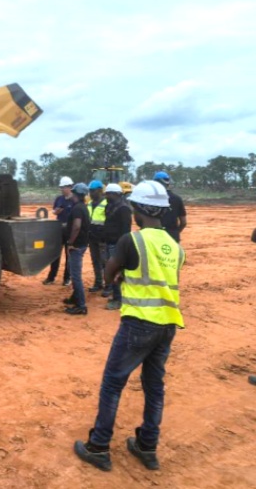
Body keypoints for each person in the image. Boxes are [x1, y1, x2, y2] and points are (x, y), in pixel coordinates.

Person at [74, 180, 185, 472]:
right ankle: (147, 446)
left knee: (113, 383)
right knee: (154, 387)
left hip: (138, 324)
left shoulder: (131, 240)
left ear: (139, 210)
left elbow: (109, 276)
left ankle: (98, 447)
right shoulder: (175, 246)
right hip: (167, 326)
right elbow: (157, 278)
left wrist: (120, 275)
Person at [101, 183, 131, 310]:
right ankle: (116, 296)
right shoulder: (110, 206)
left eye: (108, 194)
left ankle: (118, 299)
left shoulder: (124, 208)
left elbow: (125, 229)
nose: (106, 196)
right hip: (110, 242)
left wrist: (122, 248)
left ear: (115, 194)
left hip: (117, 244)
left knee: (116, 271)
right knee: (112, 271)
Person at [63, 182, 91, 315]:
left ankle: (81, 305)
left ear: (76, 194)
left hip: (77, 245)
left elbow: (77, 226)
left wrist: (70, 242)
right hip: (81, 244)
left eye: (73, 193)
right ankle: (75, 298)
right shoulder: (82, 207)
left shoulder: (77, 209)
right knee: (72, 270)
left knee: (75, 276)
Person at [43, 176, 75, 286]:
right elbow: (54, 212)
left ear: (70, 187)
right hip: (59, 229)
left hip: (70, 230)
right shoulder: (59, 199)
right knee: (55, 255)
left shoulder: (74, 200)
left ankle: (67, 278)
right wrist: (57, 211)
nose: (62, 189)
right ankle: (51, 277)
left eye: (64, 187)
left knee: (69, 256)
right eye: (61, 187)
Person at [154, 171, 187, 243]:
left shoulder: (150, 199)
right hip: (172, 237)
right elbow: (183, 222)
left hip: (155, 237)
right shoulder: (177, 199)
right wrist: (176, 232)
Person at [87, 180, 108, 293]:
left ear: (100, 191)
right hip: (92, 238)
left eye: (93, 191)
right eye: (89, 191)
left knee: (105, 262)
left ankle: (108, 285)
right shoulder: (90, 204)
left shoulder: (106, 204)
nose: (90, 193)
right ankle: (98, 283)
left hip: (102, 239)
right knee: (95, 261)